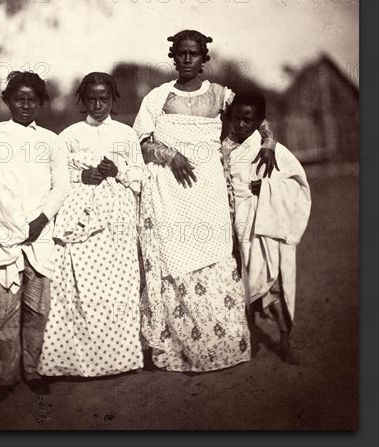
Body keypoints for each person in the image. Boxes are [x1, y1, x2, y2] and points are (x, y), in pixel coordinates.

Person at [133, 29, 277, 372]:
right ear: (173, 56)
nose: (186, 59)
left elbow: (255, 118)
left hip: (208, 192)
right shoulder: (157, 97)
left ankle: (226, 348)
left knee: (217, 260)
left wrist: (268, 143)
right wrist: (170, 155)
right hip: (168, 193)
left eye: (193, 54)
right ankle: (179, 350)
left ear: (203, 59)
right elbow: (138, 141)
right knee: (173, 264)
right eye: (180, 53)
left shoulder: (221, 95)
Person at [0, 71, 69, 401]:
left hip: (40, 236)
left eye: (31, 99)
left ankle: (32, 370)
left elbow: (60, 185)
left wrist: (41, 219)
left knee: (37, 311)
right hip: (7, 236)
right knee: (0, 315)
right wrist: (10, 227)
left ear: (40, 103)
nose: (24, 105)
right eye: (18, 99)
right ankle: (4, 376)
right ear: (7, 100)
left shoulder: (51, 140)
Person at [38, 72, 147, 377]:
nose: (98, 105)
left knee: (120, 287)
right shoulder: (69, 135)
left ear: (113, 100)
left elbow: (140, 178)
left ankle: (121, 360)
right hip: (80, 219)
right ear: (82, 101)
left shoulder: (126, 135)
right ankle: (77, 361)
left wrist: (119, 170)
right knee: (78, 286)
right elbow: (55, 177)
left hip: (118, 222)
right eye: (92, 99)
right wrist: (81, 176)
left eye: (104, 99)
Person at [221, 91, 311, 364]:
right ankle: (247, 342)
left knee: (272, 282)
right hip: (235, 223)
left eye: (248, 120)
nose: (241, 125)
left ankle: (284, 340)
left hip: (263, 225)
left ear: (260, 120)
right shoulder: (224, 147)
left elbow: (298, 184)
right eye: (237, 119)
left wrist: (268, 187)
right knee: (242, 285)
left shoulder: (271, 149)